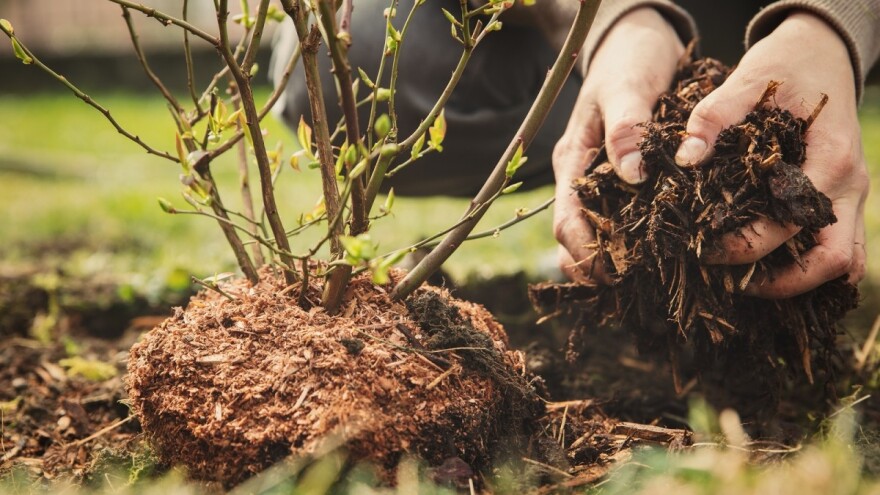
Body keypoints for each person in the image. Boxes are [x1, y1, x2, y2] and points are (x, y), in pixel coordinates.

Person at [271, 0, 879, 296]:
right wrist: (613, 20)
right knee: (333, 57)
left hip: (768, 13)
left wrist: (835, 26)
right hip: (580, 28)